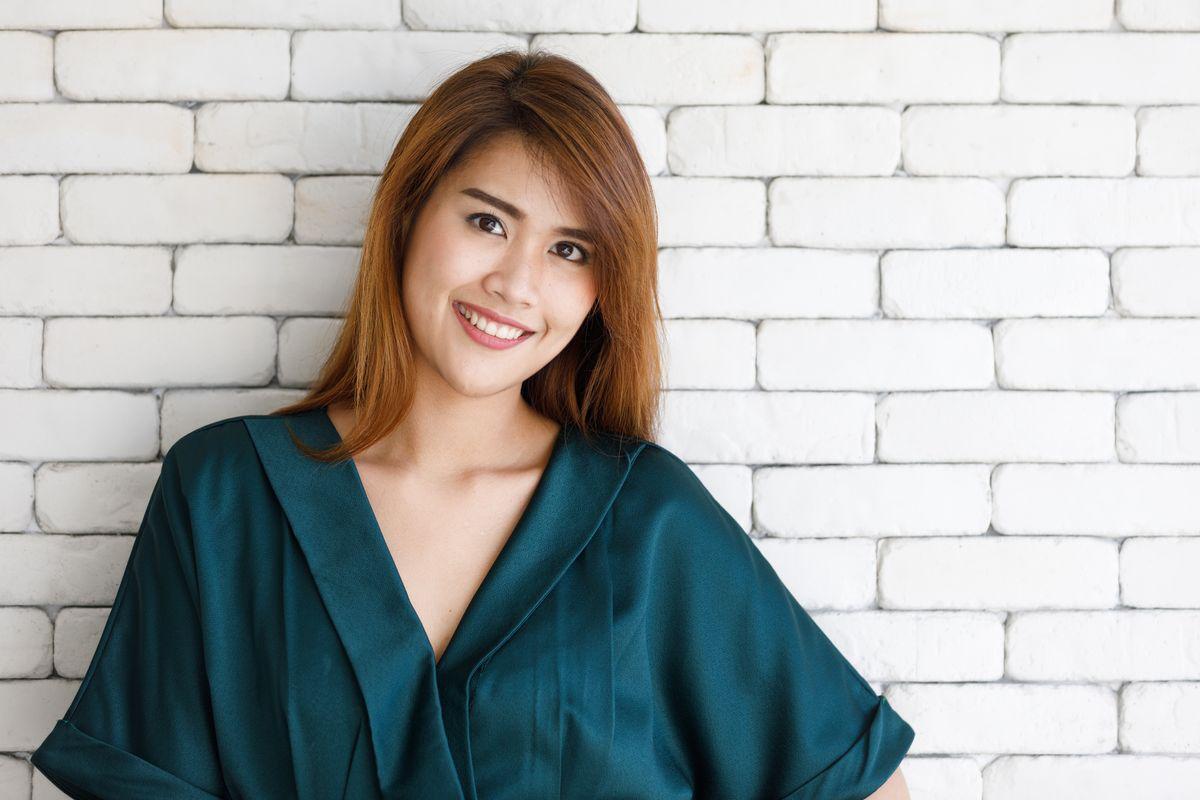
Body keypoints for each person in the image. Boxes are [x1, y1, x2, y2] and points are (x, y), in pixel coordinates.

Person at [29, 49, 915, 799]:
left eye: (569, 250)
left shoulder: (647, 520)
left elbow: (862, 783)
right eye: (489, 221)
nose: (517, 283)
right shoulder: (225, 498)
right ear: (409, 215)